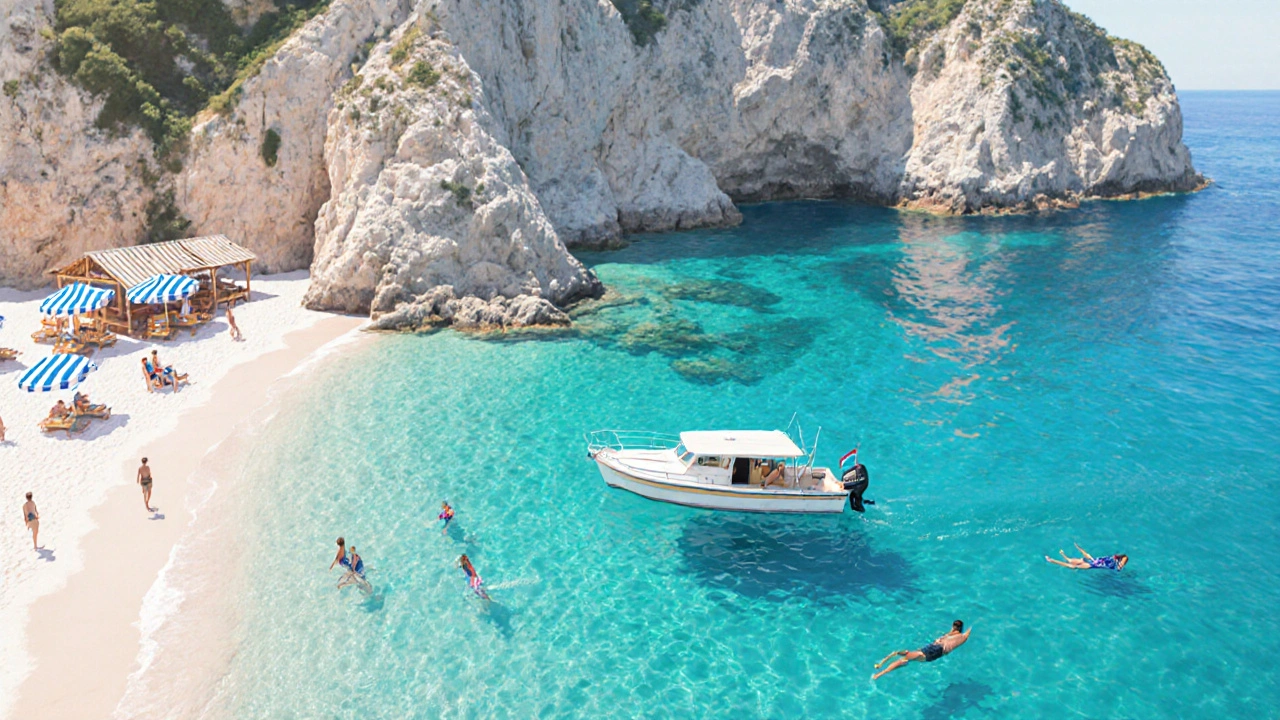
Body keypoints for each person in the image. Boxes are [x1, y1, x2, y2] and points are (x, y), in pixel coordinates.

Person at [872, 620, 972, 680]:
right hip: (934, 649)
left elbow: (964, 635)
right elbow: (964, 634)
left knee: (904, 658)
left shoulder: (959, 637)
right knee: (902, 655)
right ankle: (882, 669)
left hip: (935, 649)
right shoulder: (956, 635)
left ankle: (879, 674)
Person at [1045, 543, 1129, 571]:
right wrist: (1078, 548)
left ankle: (1052, 560)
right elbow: (1125, 556)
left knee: (1073, 566)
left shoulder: (1115, 566)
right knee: (1070, 561)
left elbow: (1124, 559)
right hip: (1092, 560)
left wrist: (1121, 565)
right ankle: (1064, 557)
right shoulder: (1114, 558)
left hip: (1091, 564)